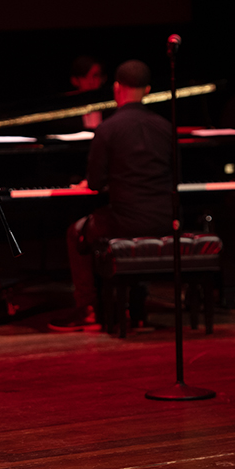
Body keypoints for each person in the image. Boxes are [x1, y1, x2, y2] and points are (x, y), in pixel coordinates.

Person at [49, 60, 172, 332]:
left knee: (76, 232)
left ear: (117, 88)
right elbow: (177, 177)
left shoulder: (108, 128)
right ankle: (135, 306)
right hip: (166, 220)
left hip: (125, 223)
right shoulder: (165, 127)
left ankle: (88, 309)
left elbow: (94, 182)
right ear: (148, 90)